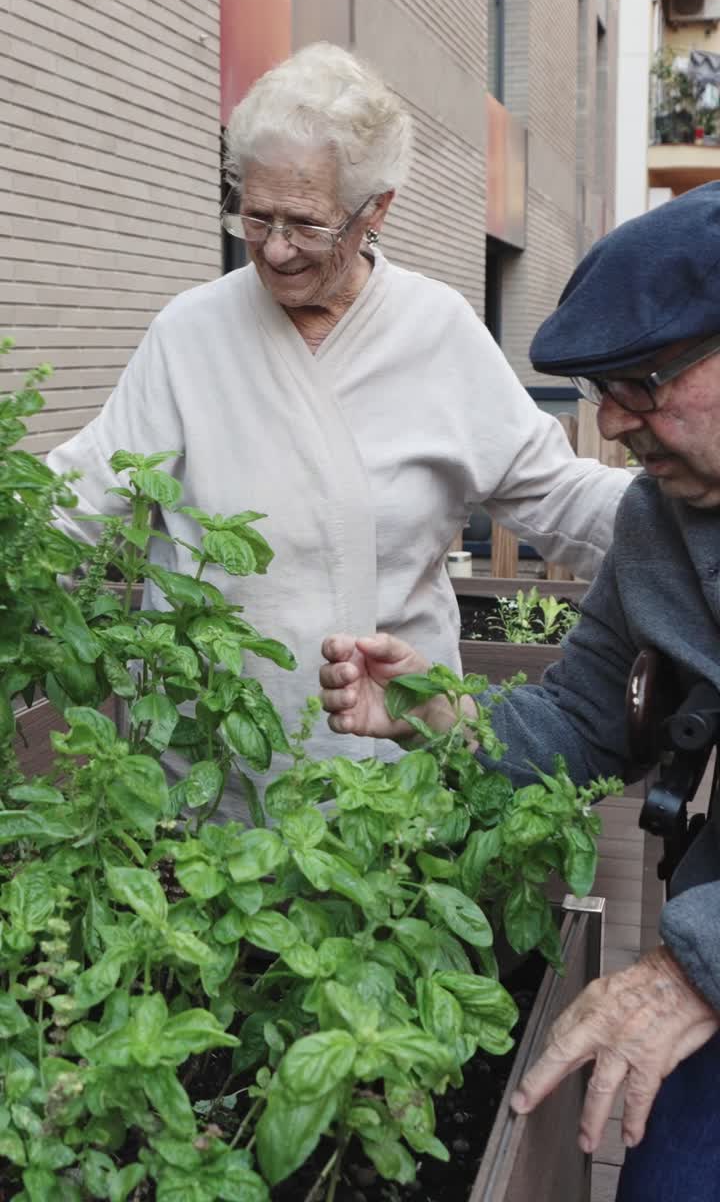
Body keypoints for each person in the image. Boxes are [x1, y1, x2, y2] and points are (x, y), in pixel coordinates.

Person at [47, 42, 629, 817]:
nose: (276, 248)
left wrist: (689, 519)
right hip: (208, 764)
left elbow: (557, 496)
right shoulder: (191, 333)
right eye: (255, 216)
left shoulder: (437, 332)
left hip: (389, 766)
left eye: (307, 225)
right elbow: (78, 496)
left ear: (375, 209)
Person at [319, 182, 720, 1202]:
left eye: (642, 381)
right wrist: (434, 714)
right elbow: (587, 716)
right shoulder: (657, 523)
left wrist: (694, 961)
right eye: (602, 392)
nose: (617, 424)